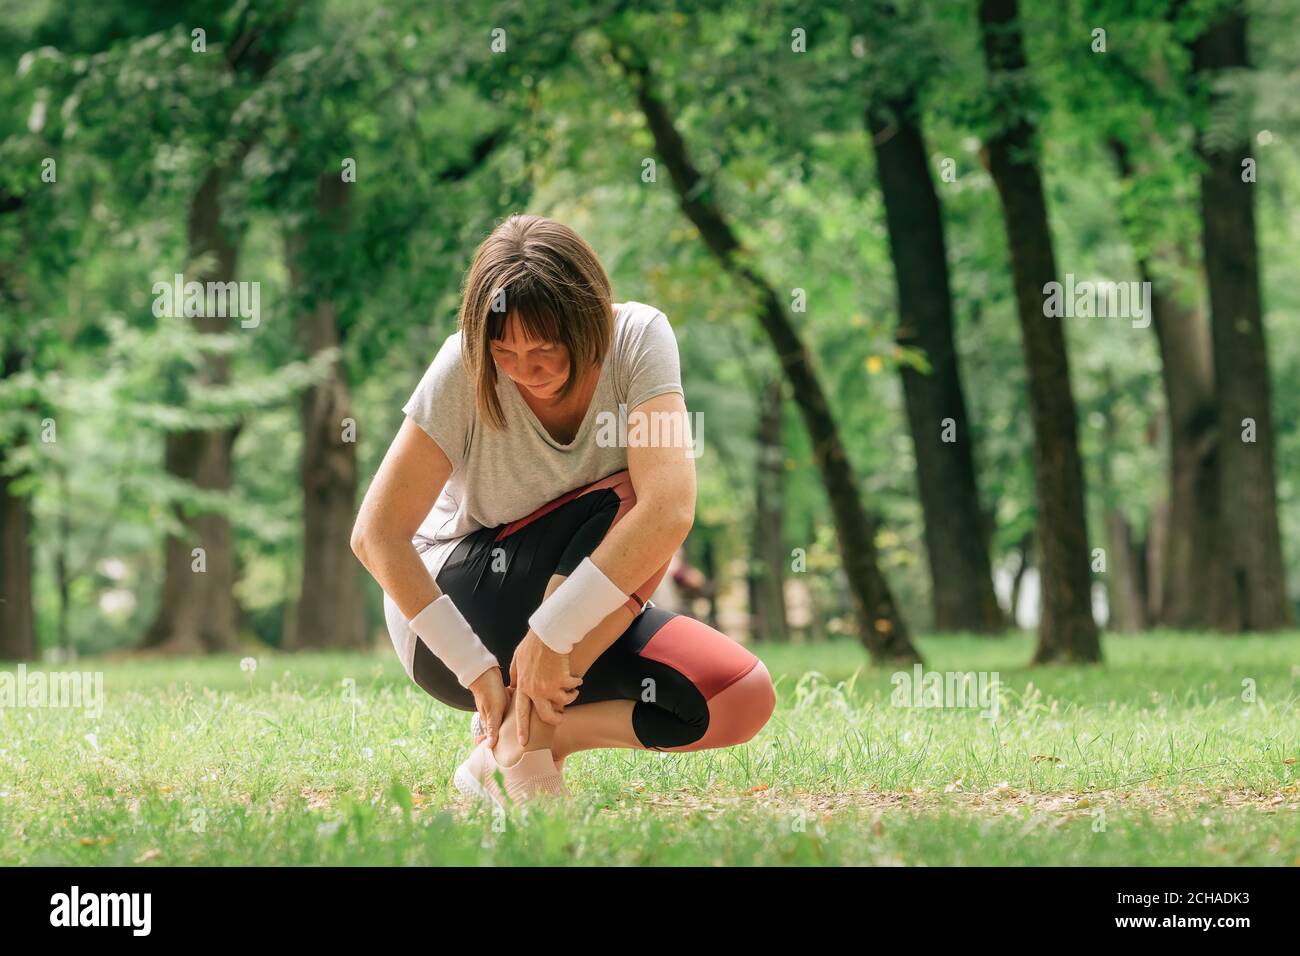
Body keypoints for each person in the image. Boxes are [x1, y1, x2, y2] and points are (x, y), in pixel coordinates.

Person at [351, 214, 776, 807]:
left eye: (546, 349)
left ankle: (512, 747)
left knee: (736, 695)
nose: (528, 371)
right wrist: (475, 668)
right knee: (629, 492)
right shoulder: (462, 366)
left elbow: (673, 510)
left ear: (591, 318)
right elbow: (376, 536)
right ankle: (521, 757)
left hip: (572, 613)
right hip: (455, 616)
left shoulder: (637, 339)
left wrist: (553, 634)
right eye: (507, 352)